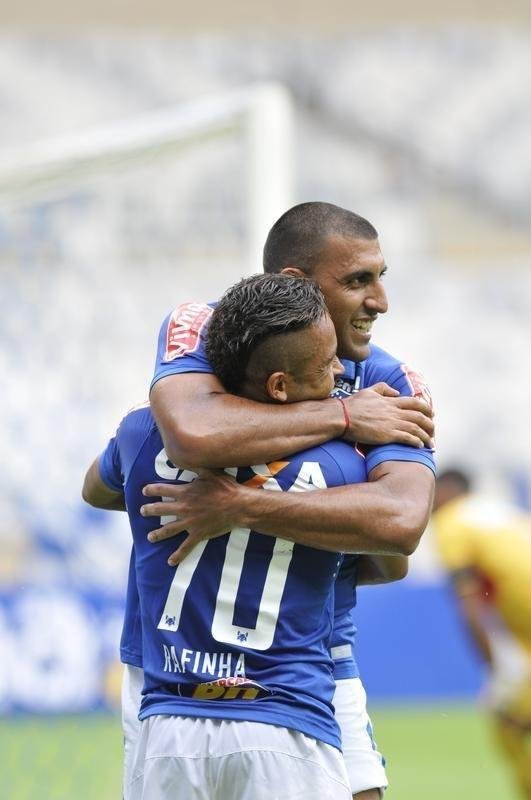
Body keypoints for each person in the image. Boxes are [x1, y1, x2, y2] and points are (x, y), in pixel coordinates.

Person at [140, 201, 436, 798]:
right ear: (294, 283)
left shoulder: (391, 381)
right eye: (357, 280)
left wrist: (245, 507)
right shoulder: (203, 330)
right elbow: (192, 435)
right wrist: (345, 417)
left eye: (380, 277)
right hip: (176, 670)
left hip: (315, 663)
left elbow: (400, 525)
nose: (380, 300)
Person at [83, 273, 381, 800]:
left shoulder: (142, 432)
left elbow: (96, 489)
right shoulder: (342, 465)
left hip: (169, 726)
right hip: (286, 722)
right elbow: (389, 559)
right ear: (280, 386)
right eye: (326, 362)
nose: (341, 372)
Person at [431, 468, 531, 800]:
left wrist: (495, 670)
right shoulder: (499, 512)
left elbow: (470, 607)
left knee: (507, 719)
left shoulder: (451, 522)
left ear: (445, 490)